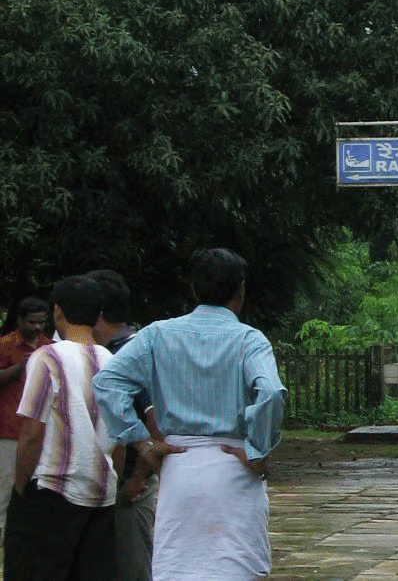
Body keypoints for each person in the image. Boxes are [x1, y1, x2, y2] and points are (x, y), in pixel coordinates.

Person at [94, 248, 288, 581]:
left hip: (178, 464)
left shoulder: (158, 335)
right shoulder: (249, 340)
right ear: (240, 289)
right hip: (233, 464)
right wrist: (258, 448)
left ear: (195, 288)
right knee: (235, 564)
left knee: (178, 566)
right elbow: (270, 392)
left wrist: (141, 443)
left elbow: (108, 382)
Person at [4, 276, 120, 580]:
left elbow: (31, 433)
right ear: (98, 316)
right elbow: (120, 435)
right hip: (101, 493)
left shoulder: (48, 357)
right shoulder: (111, 361)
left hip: (54, 490)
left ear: (57, 312)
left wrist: (19, 489)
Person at [88, 269, 161, 581]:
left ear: (97, 312)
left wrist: (138, 476)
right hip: (115, 484)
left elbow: (156, 419)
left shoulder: (128, 354)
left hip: (133, 486)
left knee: (133, 569)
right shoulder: (120, 349)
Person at [0, 296, 52, 537]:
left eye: (41, 322)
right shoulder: (5, 344)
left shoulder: (49, 346)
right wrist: (24, 365)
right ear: (20, 320)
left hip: (41, 432)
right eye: (32, 322)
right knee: (5, 488)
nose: (37, 327)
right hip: (9, 431)